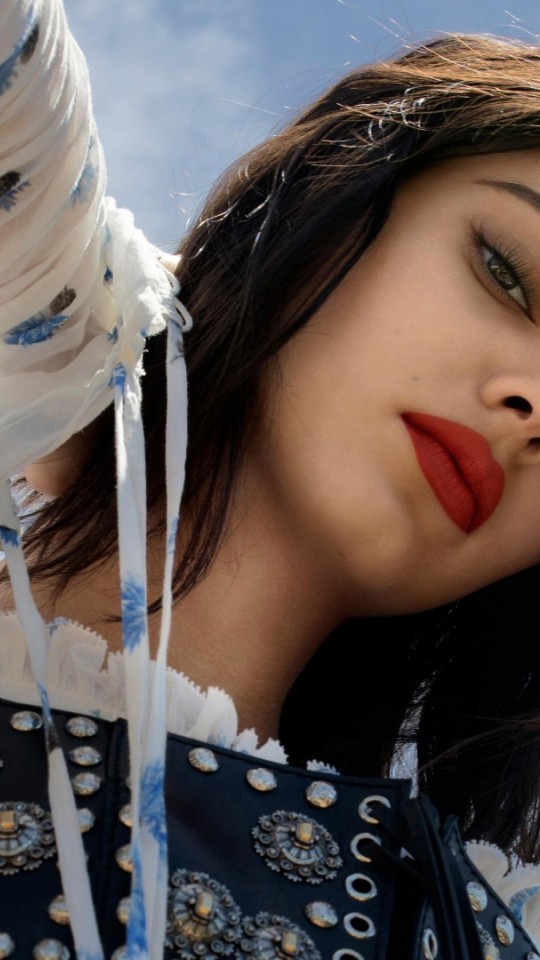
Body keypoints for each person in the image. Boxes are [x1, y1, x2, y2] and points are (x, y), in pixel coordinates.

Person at [2, 1, 540, 957]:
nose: (534, 403)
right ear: (334, 193)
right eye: (505, 272)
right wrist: (125, 331)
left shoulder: (478, 927)